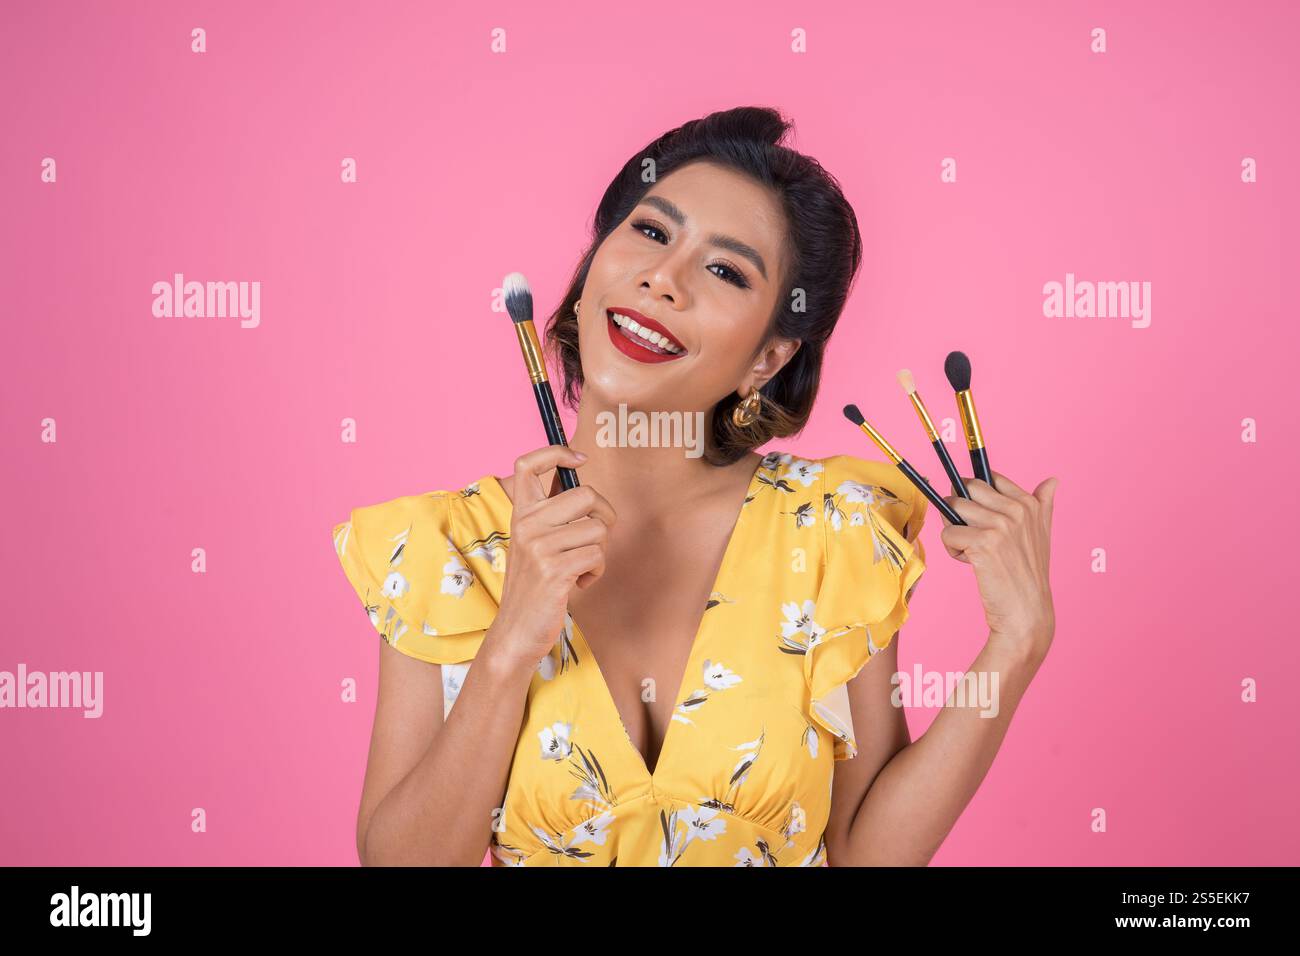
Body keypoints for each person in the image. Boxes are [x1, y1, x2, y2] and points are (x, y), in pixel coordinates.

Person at [332, 105, 1058, 866]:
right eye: (650, 232)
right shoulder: (443, 549)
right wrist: (511, 641)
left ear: (767, 358)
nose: (662, 279)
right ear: (590, 272)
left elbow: (865, 855)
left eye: (724, 270)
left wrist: (1015, 646)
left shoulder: (832, 532)